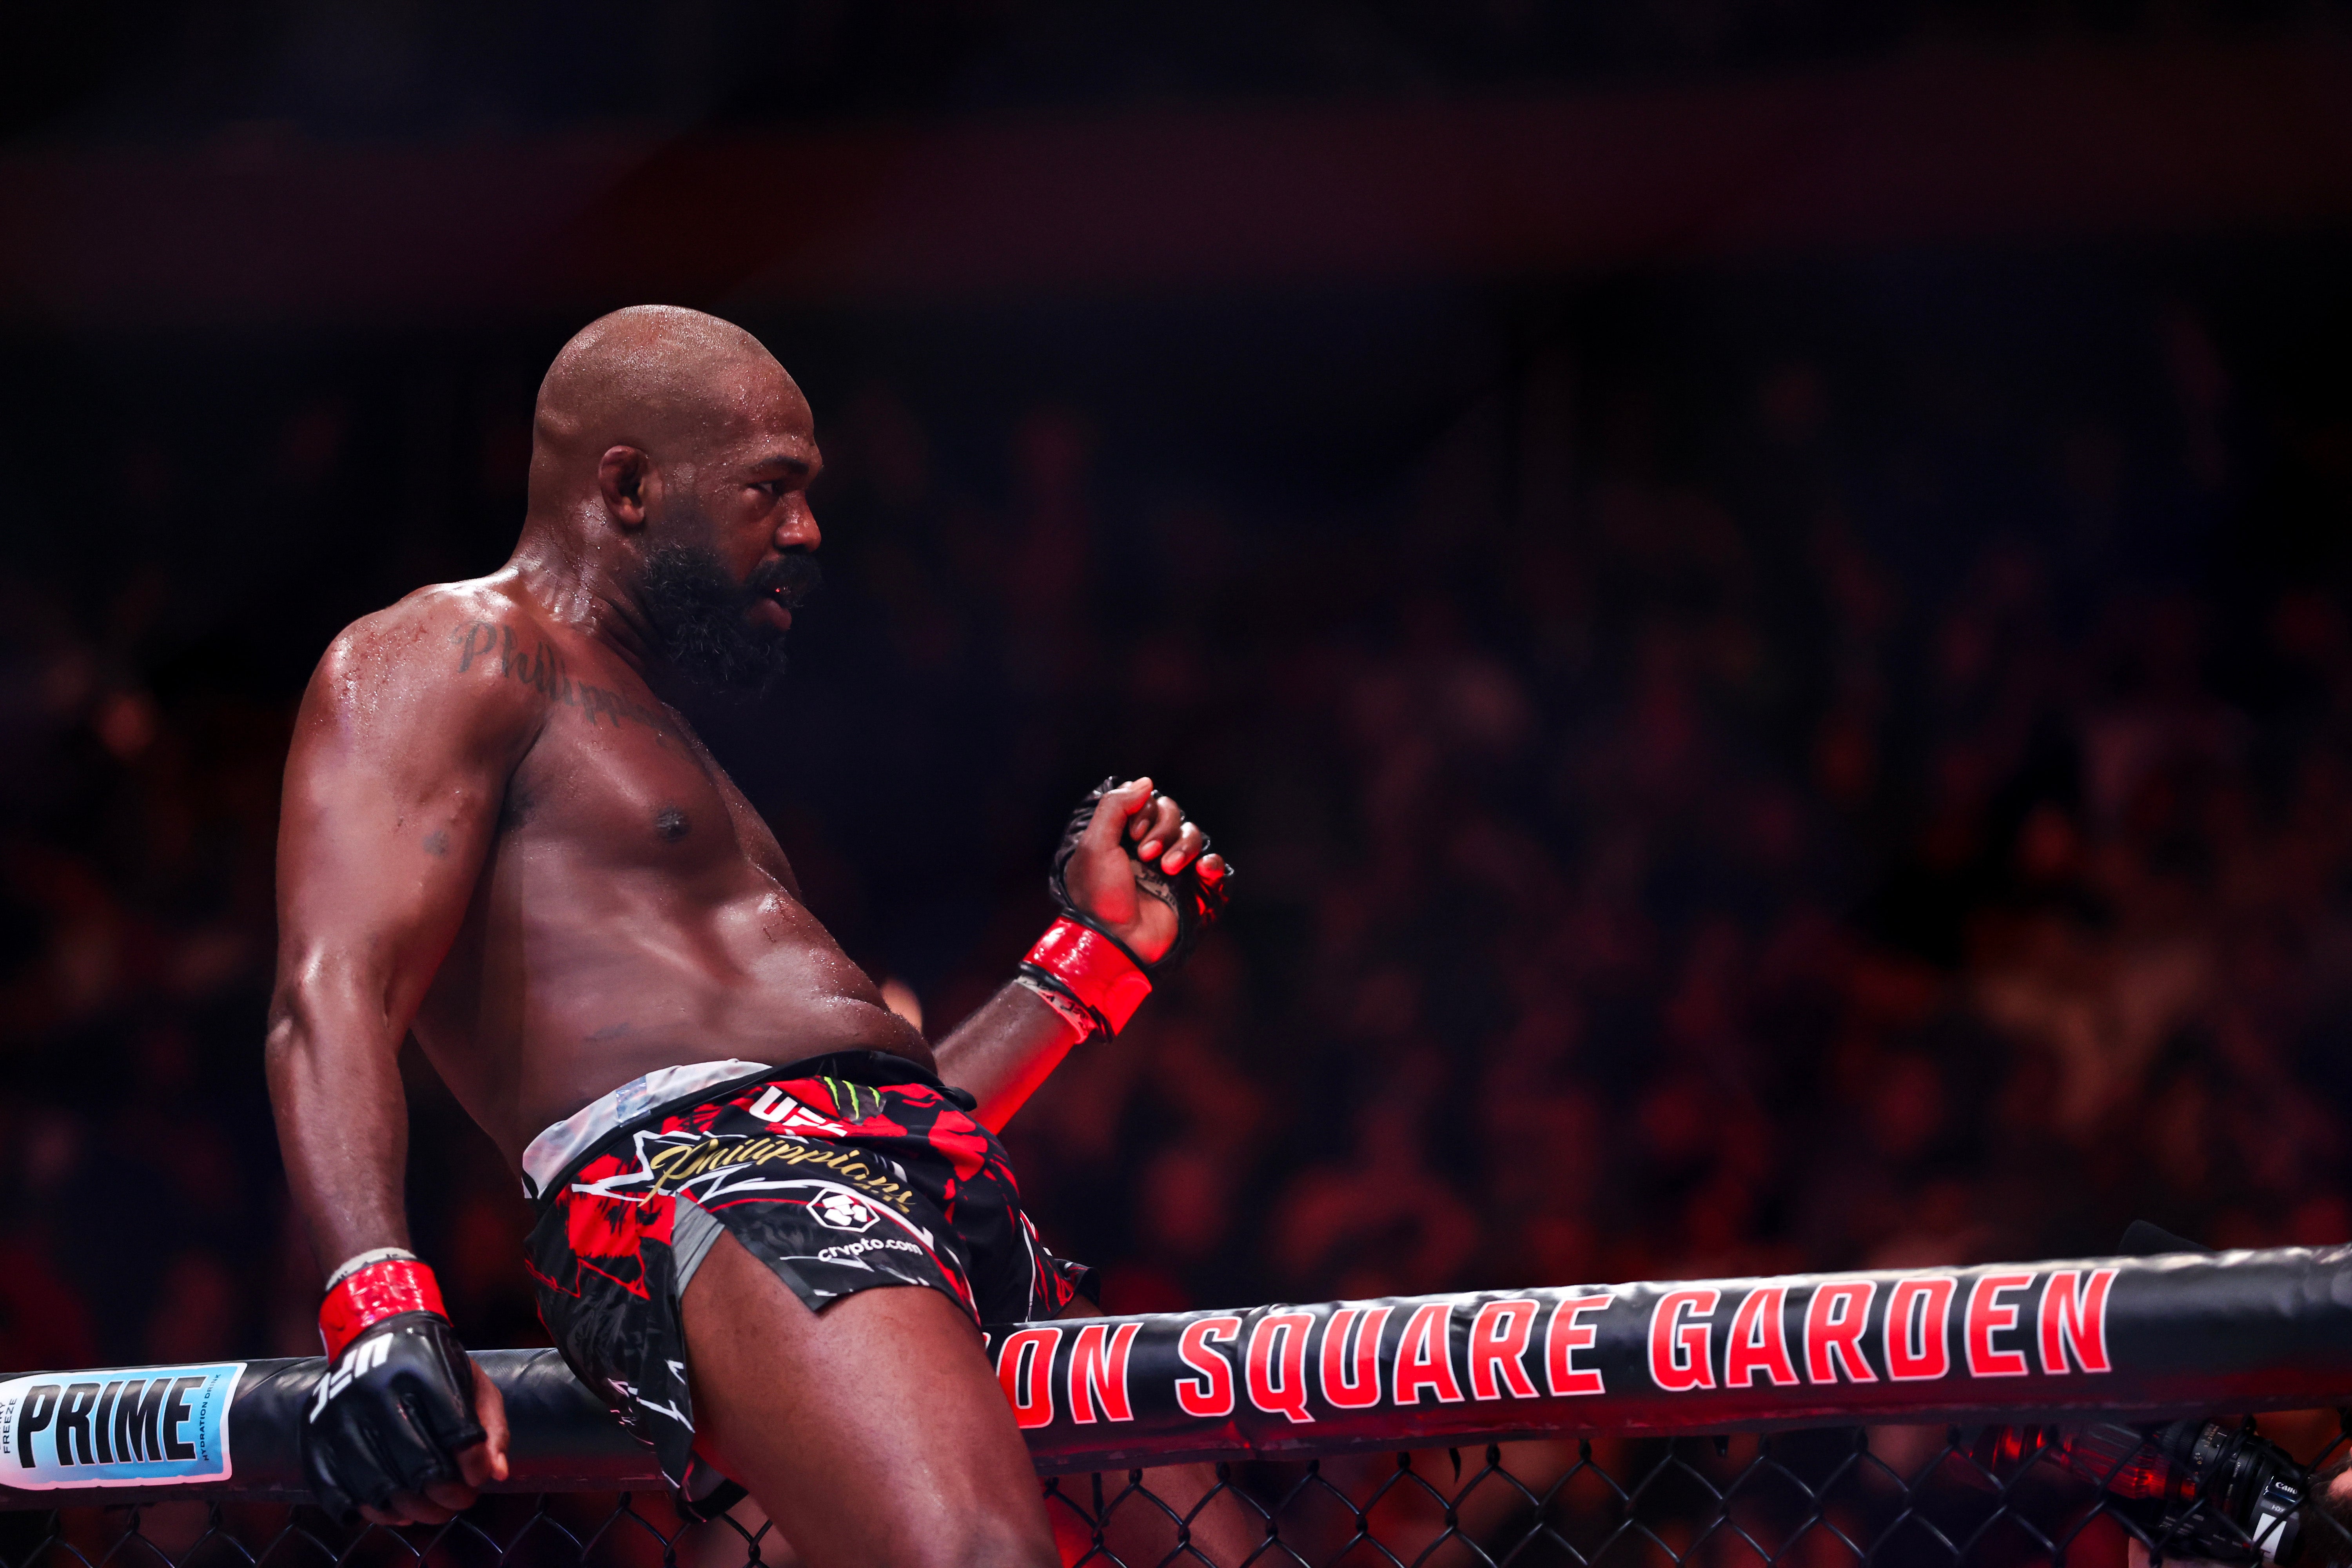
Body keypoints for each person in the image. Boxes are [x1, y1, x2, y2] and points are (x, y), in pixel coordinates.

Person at [266, 305, 1238, 1567]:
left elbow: (875, 1108)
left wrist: (1089, 960)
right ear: (626, 484)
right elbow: (332, 989)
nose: (806, 532)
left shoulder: (662, 743)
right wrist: (376, 1297)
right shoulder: (445, 655)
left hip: (903, 1186)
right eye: (770, 490)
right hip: (711, 1189)